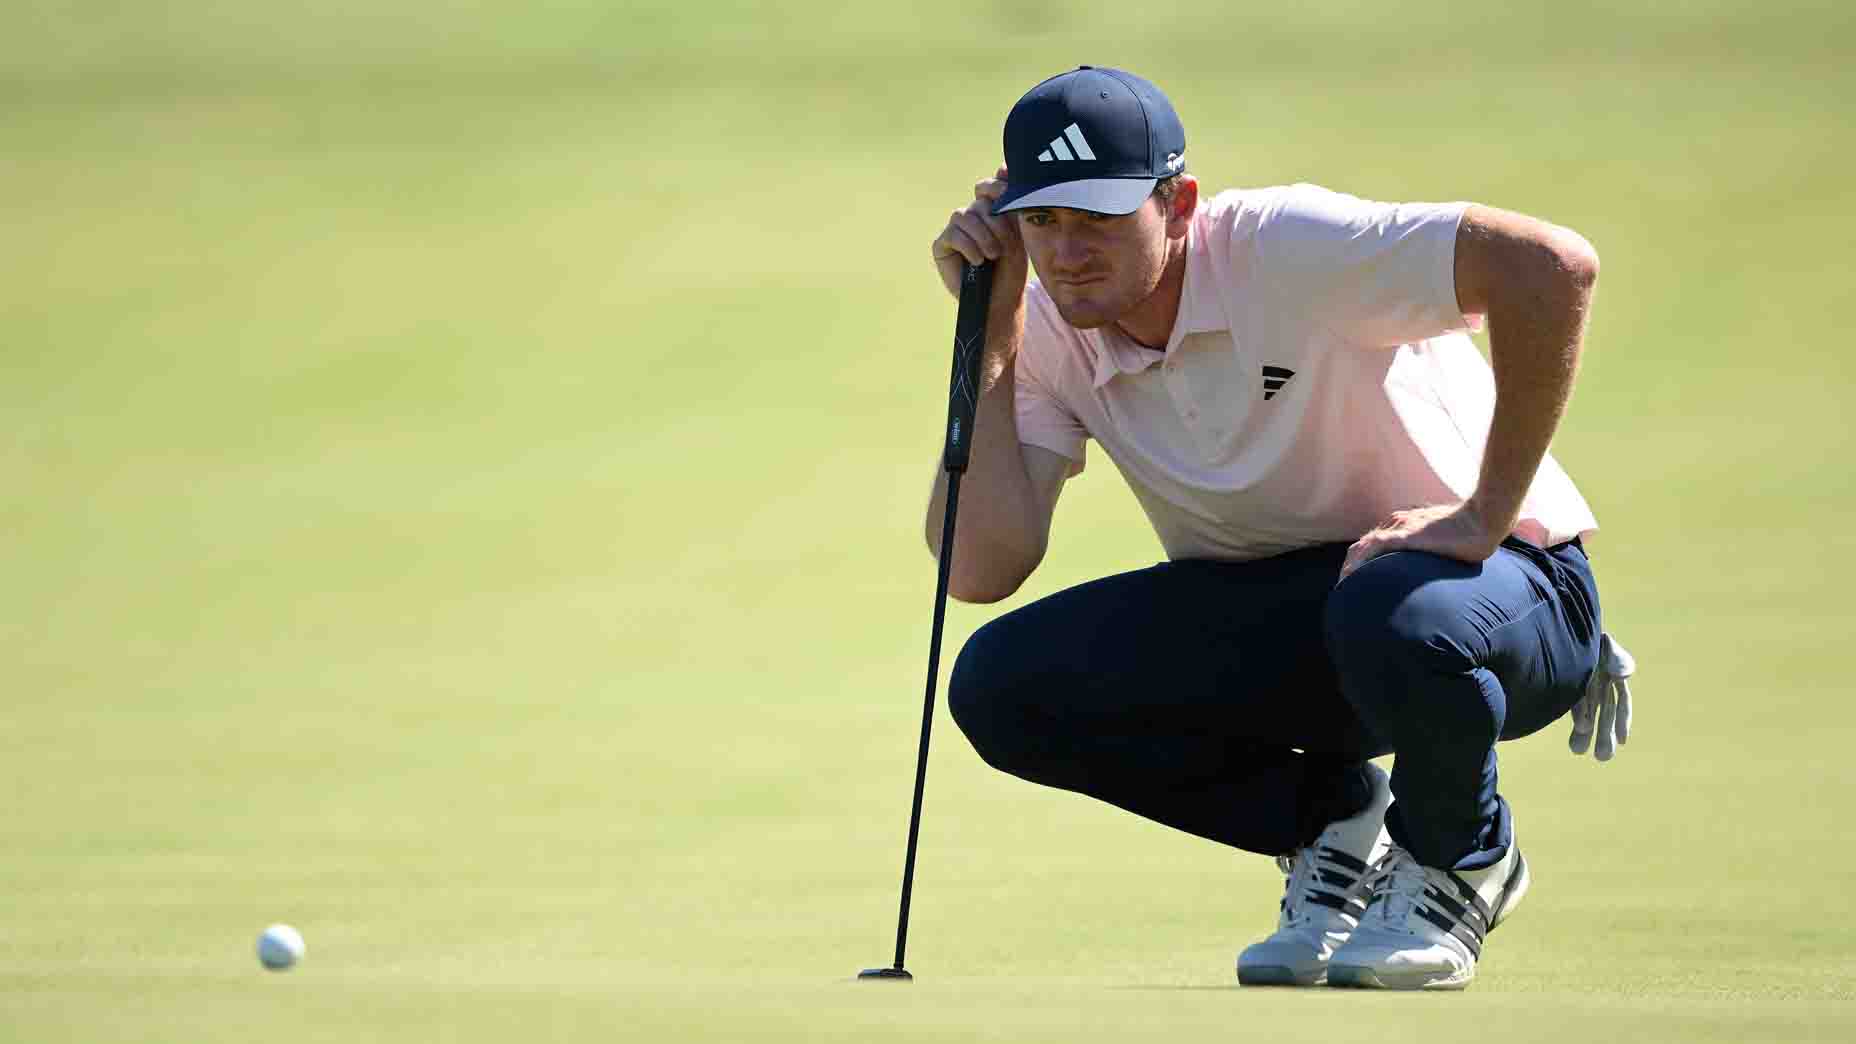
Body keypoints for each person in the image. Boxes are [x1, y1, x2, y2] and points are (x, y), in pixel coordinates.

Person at [925, 66, 1638, 991]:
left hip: (1500, 594)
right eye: (1042, 220)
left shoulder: (1282, 244)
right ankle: (1332, 822)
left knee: (1393, 610)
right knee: (1002, 686)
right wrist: (992, 323)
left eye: (1097, 218)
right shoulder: (1046, 324)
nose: (1067, 253)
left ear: (1177, 203)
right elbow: (982, 566)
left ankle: (1462, 860)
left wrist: (1486, 513)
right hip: (1316, 620)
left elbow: (1550, 264)